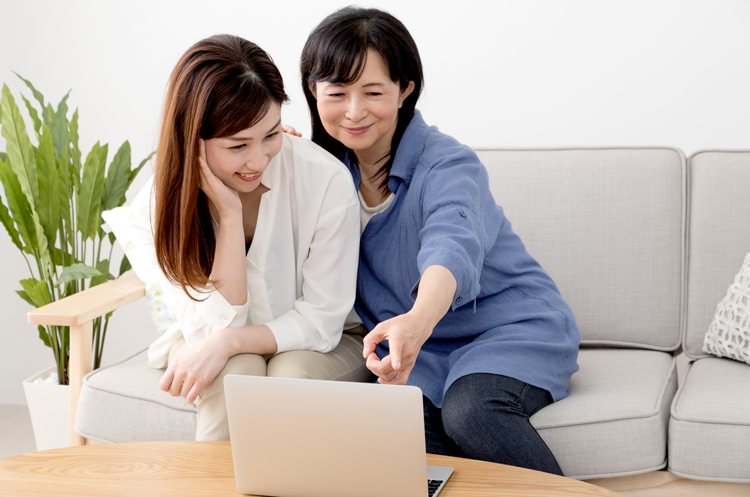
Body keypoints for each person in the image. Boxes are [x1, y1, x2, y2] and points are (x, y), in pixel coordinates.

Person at [298, 7, 581, 474]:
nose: (353, 111)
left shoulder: (449, 164)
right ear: (314, 92)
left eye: (373, 92)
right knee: (399, 429)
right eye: (337, 93)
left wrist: (416, 320)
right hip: (422, 352)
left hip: (509, 330)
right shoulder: (321, 176)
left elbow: (451, 245)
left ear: (405, 89)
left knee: (471, 413)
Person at [120, 34, 368, 441]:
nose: (258, 160)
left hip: (323, 341)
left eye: (271, 135)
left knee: (288, 379)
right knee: (234, 374)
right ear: (192, 141)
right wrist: (230, 218)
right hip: (208, 338)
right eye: (238, 145)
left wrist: (229, 342)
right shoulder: (154, 210)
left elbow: (323, 320)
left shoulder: (323, 180)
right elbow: (209, 331)